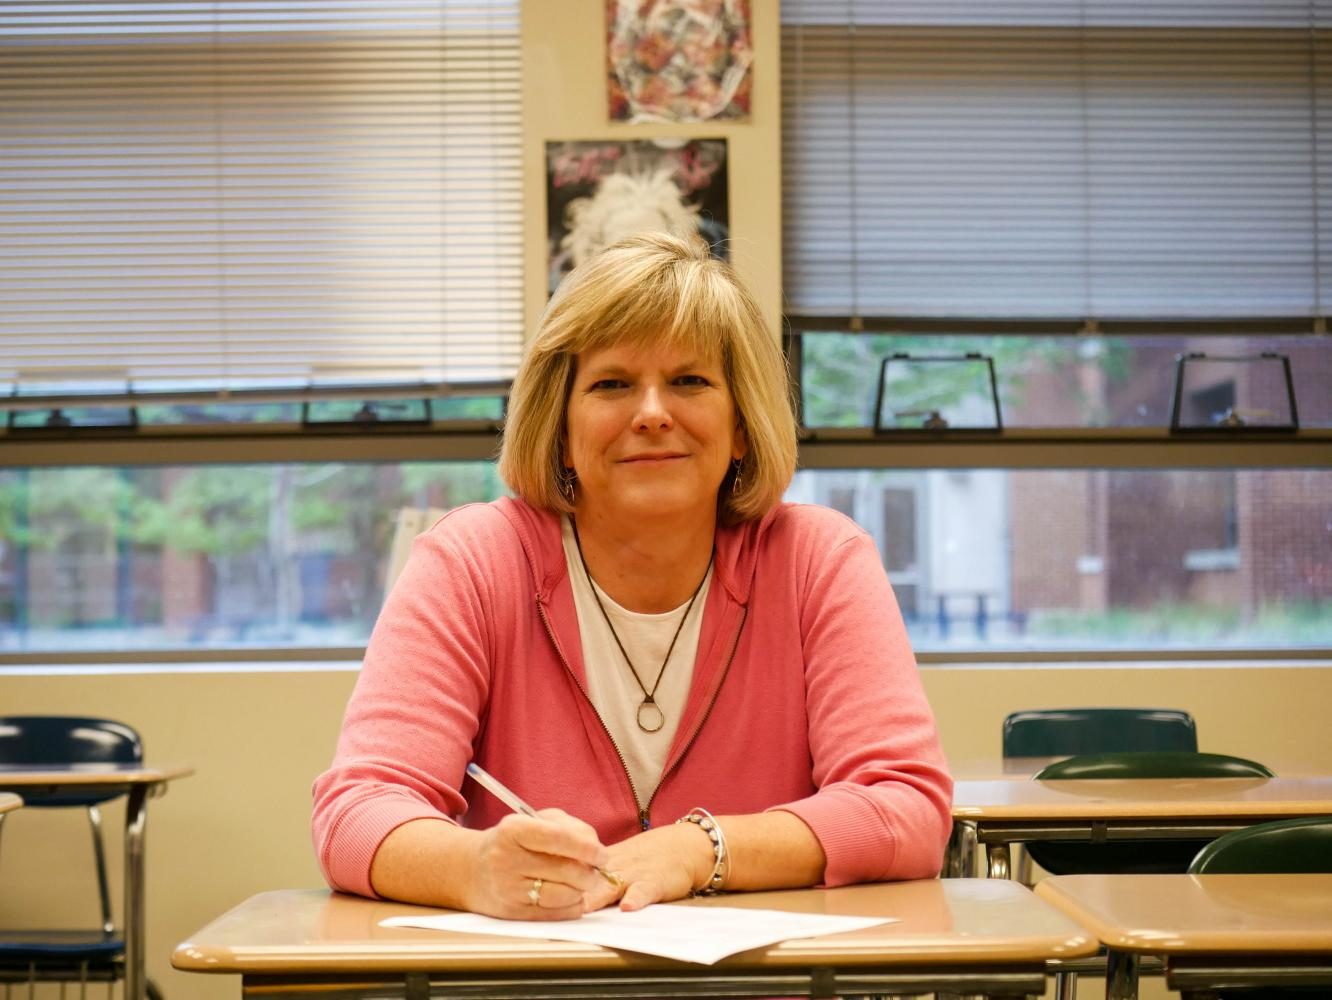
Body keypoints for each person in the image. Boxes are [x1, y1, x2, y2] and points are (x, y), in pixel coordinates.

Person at [311, 232, 953, 921]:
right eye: (612, 384)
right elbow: (357, 811)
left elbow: (907, 807)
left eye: (690, 381)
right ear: (559, 427)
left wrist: (703, 849)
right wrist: (475, 868)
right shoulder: (470, 561)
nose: (652, 413)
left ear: (741, 426)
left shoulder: (817, 561)